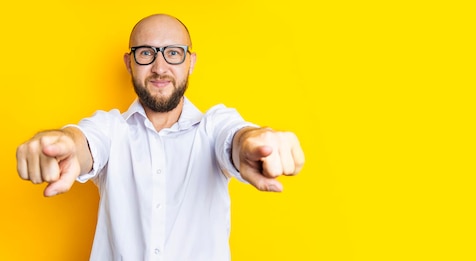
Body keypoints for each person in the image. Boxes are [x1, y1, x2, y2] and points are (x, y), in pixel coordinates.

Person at [15, 14, 304, 261]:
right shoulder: (111, 129)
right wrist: (59, 143)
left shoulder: (213, 127)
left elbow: (236, 138)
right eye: (146, 53)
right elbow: (84, 142)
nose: (160, 67)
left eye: (173, 53)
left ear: (190, 62)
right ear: (129, 63)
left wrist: (256, 142)